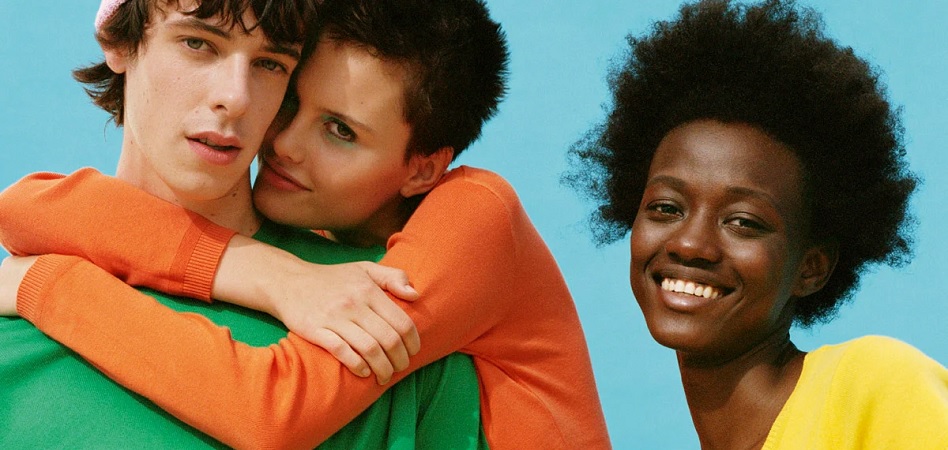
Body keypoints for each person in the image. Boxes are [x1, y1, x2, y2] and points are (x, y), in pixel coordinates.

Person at [0, 0, 611, 448]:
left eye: (270, 65)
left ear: (423, 169)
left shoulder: (421, 272)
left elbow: (271, 410)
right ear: (117, 38)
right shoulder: (325, 263)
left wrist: (41, 284)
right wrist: (265, 271)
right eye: (198, 44)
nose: (282, 138)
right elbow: (25, 208)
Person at [565, 0, 948, 448]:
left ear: (811, 267)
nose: (690, 244)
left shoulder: (877, 389)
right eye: (667, 208)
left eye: (743, 222)